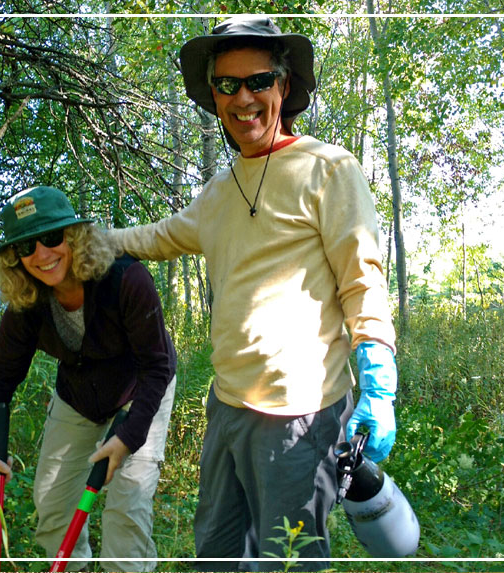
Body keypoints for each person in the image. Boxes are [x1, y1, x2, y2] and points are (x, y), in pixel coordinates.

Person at [108, 16, 399, 571]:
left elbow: (363, 281)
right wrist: (98, 243)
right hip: (228, 407)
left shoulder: (328, 169)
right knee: (215, 555)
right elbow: (161, 235)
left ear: (284, 87)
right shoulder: (217, 192)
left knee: (288, 561)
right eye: (227, 85)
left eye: (258, 81)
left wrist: (378, 382)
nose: (243, 97)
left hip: (303, 415)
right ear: (214, 96)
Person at [0, 186, 177, 572]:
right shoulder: (28, 302)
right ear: (15, 258)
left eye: (51, 238)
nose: (42, 255)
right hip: (80, 396)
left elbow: (157, 367)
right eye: (26, 247)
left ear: (75, 237)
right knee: (51, 500)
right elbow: (1, 376)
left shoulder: (127, 280)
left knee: (126, 508)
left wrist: (128, 437)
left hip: (142, 388)